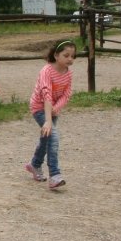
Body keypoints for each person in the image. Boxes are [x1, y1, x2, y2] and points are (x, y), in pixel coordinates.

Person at [25, 40, 76, 189]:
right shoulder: (46, 71)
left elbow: (67, 94)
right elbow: (46, 94)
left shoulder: (68, 73)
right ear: (56, 55)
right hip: (39, 108)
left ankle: (34, 164)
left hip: (52, 110)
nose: (70, 59)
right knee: (53, 138)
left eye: (73, 56)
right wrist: (47, 120)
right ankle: (55, 175)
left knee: (46, 138)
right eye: (66, 55)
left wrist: (56, 108)